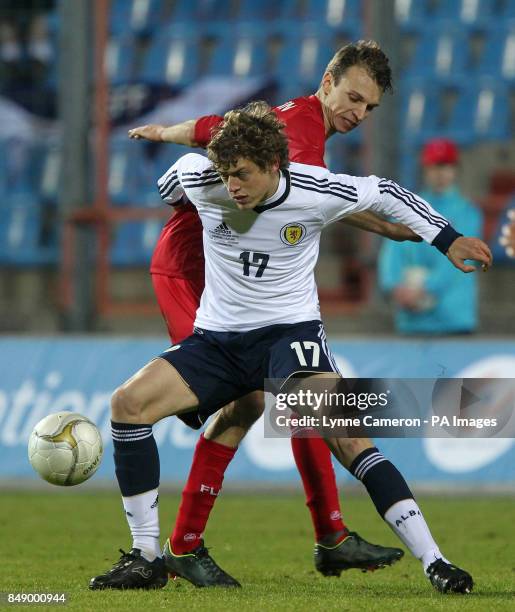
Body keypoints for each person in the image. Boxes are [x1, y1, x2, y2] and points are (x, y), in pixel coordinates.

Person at [90, 102, 491, 593]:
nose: (231, 185)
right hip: (217, 341)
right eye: (225, 174)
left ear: (275, 166)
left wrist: (445, 238)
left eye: (242, 175)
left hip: (289, 338)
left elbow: (385, 193)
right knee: (127, 405)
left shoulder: (313, 189)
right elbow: (172, 183)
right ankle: (146, 556)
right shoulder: (204, 178)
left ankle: (435, 560)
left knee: (346, 435)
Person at [126, 41, 422, 583]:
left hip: (228, 266)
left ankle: (325, 536)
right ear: (327, 81)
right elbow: (302, 196)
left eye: (370, 107)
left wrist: (166, 131)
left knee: (289, 394)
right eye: (353, 97)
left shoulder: (296, 118)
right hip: (198, 267)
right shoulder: (304, 130)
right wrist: (389, 225)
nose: (358, 112)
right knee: (255, 397)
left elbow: (220, 128)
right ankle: (186, 546)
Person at [378, 138, 483, 335]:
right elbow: (391, 253)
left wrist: (424, 288)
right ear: (425, 169)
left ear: (455, 169)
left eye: (445, 166)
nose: (440, 173)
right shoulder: (407, 209)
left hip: (453, 319)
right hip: (413, 320)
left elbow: (461, 262)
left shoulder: (467, 212)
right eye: (434, 166)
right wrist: (395, 287)